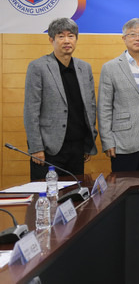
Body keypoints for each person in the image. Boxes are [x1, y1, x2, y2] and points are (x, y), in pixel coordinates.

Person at [24, 18, 97, 180]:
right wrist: (36, 147)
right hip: (49, 149)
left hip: (77, 147)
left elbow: (90, 106)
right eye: (61, 36)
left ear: (76, 39)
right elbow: (31, 111)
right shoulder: (38, 67)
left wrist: (88, 143)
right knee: (46, 197)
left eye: (71, 36)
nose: (66, 41)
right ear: (51, 40)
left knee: (75, 197)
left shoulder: (84, 68)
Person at [98, 18, 139, 172]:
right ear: (124, 38)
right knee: (123, 188)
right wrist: (108, 141)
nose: (138, 38)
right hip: (123, 142)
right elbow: (104, 108)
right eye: (132, 34)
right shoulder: (110, 67)